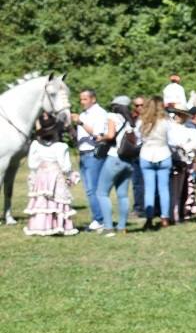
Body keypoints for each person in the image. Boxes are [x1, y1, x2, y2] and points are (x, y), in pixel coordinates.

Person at [23, 112, 79, 236]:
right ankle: (58, 225)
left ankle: (41, 226)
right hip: (56, 176)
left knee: (43, 201)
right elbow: (65, 167)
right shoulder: (61, 146)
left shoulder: (35, 145)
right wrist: (71, 175)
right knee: (57, 200)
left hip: (41, 176)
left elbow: (32, 164)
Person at [95, 95, 140, 235]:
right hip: (128, 161)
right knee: (123, 195)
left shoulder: (112, 116)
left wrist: (99, 138)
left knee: (102, 193)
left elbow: (110, 135)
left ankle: (108, 227)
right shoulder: (131, 121)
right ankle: (122, 227)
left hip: (115, 158)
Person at [70, 88, 109, 232]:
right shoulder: (84, 114)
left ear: (93, 99)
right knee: (88, 189)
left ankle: (100, 219)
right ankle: (97, 218)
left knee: (94, 189)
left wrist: (80, 122)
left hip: (94, 153)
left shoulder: (99, 113)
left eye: (85, 99)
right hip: (83, 153)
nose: (82, 102)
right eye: (81, 99)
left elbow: (97, 134)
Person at [138, 97, 173, 228]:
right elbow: (172, 139)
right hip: (163, 153)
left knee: (149, 190)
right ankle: (165, 217)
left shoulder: (142, 121)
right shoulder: (166, 121)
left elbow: (138, 138)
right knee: (164, 189)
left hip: (146, 155)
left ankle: (149, 217)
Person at [130, 96, 146, 217]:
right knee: (137, 182)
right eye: (137, 105)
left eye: (142, 105)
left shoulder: (150, 119)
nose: (139, 108)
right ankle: (139, 207)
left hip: (147, 151)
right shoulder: (132, 119)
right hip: (135, 153)